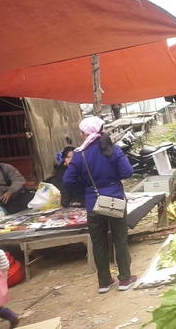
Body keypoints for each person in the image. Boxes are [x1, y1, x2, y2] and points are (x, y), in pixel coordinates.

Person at [64, 117, 136, 294]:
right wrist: (113, 181)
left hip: (93, 202)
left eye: (81, 132)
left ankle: (104, 282)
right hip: (116, 200)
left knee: (99, 242)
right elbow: (127, 172)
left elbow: (68, 179)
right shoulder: (113, 149)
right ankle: (125, 278)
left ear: (85, 133)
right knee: (120, 239)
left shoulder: (80, 154)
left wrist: (86, 190)